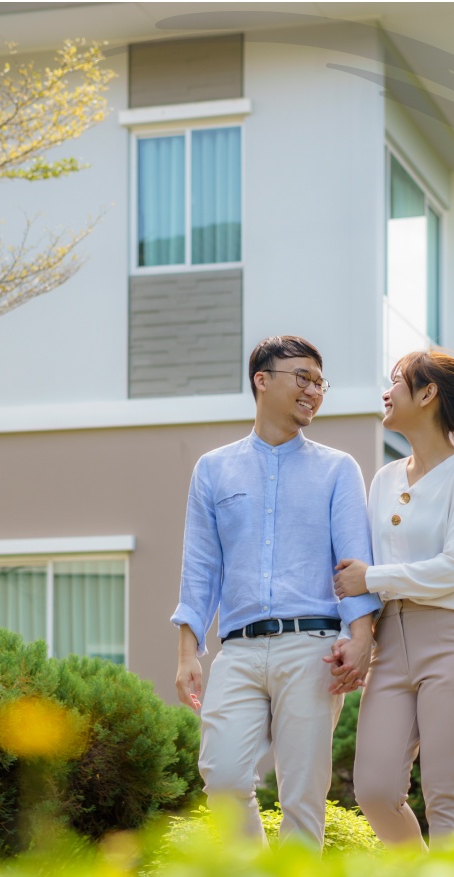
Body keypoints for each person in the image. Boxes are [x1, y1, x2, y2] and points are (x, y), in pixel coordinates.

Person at [172, 335, 382, 846]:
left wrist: (361, 638)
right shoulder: (213, 469)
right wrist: (187, 651)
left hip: (313, 649)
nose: (314, 390)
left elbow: (356, 563)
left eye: (319, 381)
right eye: (302, 378)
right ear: (261, 381)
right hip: (238, 650)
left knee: (302, 798)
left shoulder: (338, 469)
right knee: (221, 778)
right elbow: (201, 566)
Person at [331, 349, 454, 846]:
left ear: (428, 394)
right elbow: (357, 567)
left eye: (397, 382)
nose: (386, 393)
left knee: (445, 794)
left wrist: (372, 579)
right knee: (373, 788)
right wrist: (361, 631)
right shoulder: (385, 478)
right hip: (390, 646)